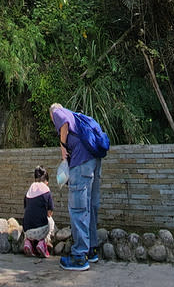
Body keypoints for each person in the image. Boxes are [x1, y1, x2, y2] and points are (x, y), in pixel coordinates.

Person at [49, 103, 102, 272]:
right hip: (94, 161)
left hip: (82, 163)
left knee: (78, 208)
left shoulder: (58, 112)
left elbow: (62, 121)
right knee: (90, 207)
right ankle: (91, 250)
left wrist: (62, 146)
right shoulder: (79, 118)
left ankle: (79, 257)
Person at [22, 165, 55, 257]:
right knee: (51, 221)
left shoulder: (29, 191)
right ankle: (43, 242)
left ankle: (28, 242)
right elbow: (49, 213)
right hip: (41, 231)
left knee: (29, 218)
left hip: (27, 230)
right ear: (46, 181)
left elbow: (26, 209)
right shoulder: (46, 190)